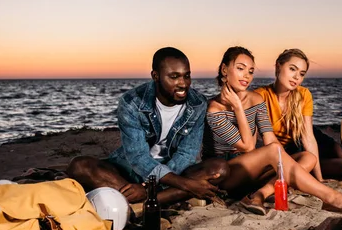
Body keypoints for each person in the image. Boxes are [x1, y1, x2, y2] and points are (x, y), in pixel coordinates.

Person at [202, 46, 342, 215]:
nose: (246, 76)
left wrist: (286, 165)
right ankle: (332, 198)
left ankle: (260, 194)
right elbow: (248, 146)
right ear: (224, 70)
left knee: (307, 157)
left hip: (253, 174)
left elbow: (270, 139)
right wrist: (238, 108)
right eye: (240, 68)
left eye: (250, 71)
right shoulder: (214, 109)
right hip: (226, 176)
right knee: (273, 151)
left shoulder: (256, 99)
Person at [67, 47, 228, 206]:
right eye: (174, 77)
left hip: (174, 170)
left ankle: (142, 202)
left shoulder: (197, 103)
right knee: (79, 166)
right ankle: (167, 197)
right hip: (131, 171)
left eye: (187, 76)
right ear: (155, 76)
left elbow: (187, 154)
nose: (183, 84)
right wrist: (183, 185)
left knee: (220, 169)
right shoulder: (131, 102)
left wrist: (149, 187)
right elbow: (137, 157)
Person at [254, 49, 342, 180]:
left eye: (301, 74)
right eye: (292, 69)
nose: (297, 77)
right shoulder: (259, 96)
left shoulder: (304, 94)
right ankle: (309, 169)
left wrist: (320, 179)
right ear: (278, 66)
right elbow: (258, 142)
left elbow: (308, 137)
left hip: (304, 138)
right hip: (288, 151)